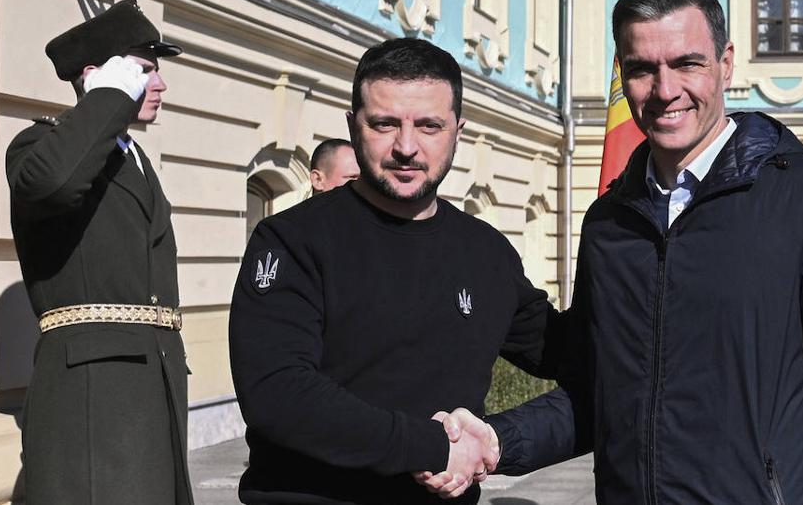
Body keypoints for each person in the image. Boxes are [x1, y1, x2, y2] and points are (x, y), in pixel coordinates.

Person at [427, 0, 803, 503]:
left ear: (726, 63)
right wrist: (497, 441)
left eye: (687, 64)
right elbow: (599, 396)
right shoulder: (609, 224)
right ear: (622, 74)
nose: (665, 91)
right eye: (642, 69)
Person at [229, 37, 559, 504]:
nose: (406, 147)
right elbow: (278, 394)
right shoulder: (292, 240)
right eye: (384, 124)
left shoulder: (486, 252)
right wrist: (430, 447)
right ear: (353, 126)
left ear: (458, 131)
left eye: (429, 126)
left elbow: (568, 351)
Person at [6, 0, 194, 505]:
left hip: (149, 377)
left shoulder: (131, 157)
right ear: (96, 77)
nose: (159, 84)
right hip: (94, 384)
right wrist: (106, 97)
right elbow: (52, 186)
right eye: (144, 71)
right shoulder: (39, 144)